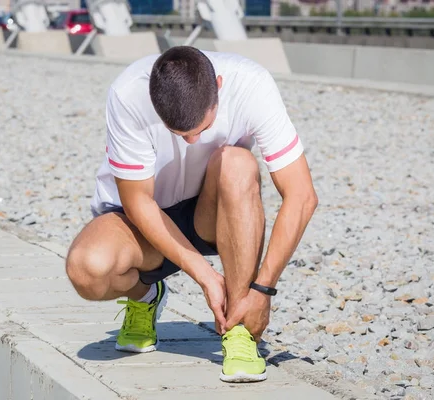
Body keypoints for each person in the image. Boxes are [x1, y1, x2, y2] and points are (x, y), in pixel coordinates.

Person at [66, 46, 318, 383]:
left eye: (202, 128)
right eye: (179, 133)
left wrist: (263, 290)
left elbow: (301, 196)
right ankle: (145, 297)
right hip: (145, 221)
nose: (192, 141)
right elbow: (139, 202)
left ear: (219, 84)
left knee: (239, 163)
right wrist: (206, 276)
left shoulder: (253, 85)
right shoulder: (127, 94)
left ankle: (239, 328)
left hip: (212, 214)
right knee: (86, 271)